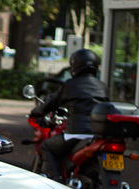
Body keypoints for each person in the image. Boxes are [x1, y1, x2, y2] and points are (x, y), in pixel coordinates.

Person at [31, 49, 109, 182]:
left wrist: (37, 111)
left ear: (75, 65)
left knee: (46, 146)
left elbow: (52, 103)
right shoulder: (102, 86)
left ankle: (57, 181)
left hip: (76, 133)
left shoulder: (70, 85)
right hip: (97, 135)